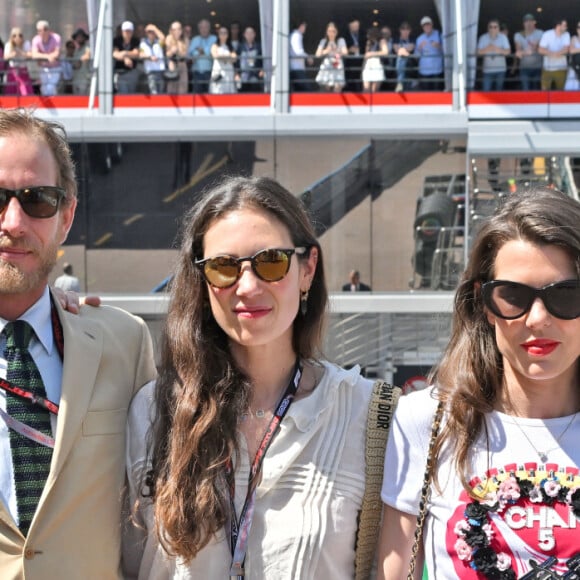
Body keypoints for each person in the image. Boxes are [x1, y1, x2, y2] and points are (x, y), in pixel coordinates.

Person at [122, 175, 374, 578]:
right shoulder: (152, 412)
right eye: (224, 267)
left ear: (308, 268)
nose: (248, 286)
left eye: (271, 261)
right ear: (202, 280)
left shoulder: (363, 414)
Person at [378, 187, 580, 579]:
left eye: (566, 295)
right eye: (512, 295)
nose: (537, 318)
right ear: (484, 303)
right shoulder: (428, 420)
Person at [0, 109, 156, 576]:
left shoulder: (123, 343)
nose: (13, 221)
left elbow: (149, 509)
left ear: (66, 216)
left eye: (38, 200)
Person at [477, 19, 511, 91]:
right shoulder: (483, 38)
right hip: (487, 70)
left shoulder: (503, 37)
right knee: (486, 91)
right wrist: (487, 49)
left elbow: (508, 51)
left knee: (499, 91)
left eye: (495, 27)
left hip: (500, 70)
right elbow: (478, 52)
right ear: (488, 28)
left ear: (498, 28)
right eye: (491, 27)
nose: (493, 29)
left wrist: (497, 49)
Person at [30, 20, 61, 96]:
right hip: (43, 68)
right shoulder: (36, 39)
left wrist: (43, 56)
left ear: (47, 30)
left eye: (42, 30)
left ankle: (53, 105)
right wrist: (48, 56)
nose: (40, 33)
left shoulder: (56, 37)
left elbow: (57, 53)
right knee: (44, 88)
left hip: (55, 67)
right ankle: (47, 106)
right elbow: (34, 54)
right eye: (38, 31)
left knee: (51, 87)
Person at [539, 18, 570, 91]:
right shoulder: (547, 34)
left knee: (561, 93)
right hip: (547, 68)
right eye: (564, 25)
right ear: (558, 26)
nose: (566, 27)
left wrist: (554, 54)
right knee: (544, 93)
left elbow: (566, 49)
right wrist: (554, 54)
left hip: (561, 68)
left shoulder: (566, 34)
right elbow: (540, 50)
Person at [315, 22, 347, 92]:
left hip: (337, 65)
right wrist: (326, 50)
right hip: (327, 66)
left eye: (333, 31)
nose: (331, 33)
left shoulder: (341, 40)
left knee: (337, 88)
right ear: (326, 32)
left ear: (336, 32)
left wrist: (337, 51)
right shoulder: (323, 41)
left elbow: (345, 52)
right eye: (329, 31)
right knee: (327, 88)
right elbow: (317, 54)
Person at [514, 13, 543, 90]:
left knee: (536, 90)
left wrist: (535, 47)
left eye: (531, 21)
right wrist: (527, 52)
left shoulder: (540, 33)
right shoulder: (518, 35)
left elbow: (542, 49)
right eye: (526, 21)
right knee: (525, 90)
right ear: (523, 23)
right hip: (524, 68)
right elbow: (518, 52)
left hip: (538, 67)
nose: (529, 23)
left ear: (534, 22)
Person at [187, 18, 216, 94]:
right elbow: (189, 54)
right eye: (202, 27)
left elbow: (214, 53)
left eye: (206, 27)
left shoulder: (214, 39)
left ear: (209, 28)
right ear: (199, 29)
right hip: (197, 73)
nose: (204, 29)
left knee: (210, 95)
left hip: (210, 72)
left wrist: (202, 51)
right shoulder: (195, 39)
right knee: (197, 97)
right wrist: (198, 53)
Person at [416, 16, 444, 91]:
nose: (427, 27)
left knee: (438, 94)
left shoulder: (439, 34)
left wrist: (439, 46)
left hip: (437, 71)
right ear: (422, 27)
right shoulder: (419, 38)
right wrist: (419, 48)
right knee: (426, 95)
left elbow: (447, 50)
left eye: (428, 24)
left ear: (432, 25)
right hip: (424, 71)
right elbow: (416, 56)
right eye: (425, 25)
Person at [3, 27, 33, 96]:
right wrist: (12, 54)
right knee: (11, 92)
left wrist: (22, 53)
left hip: (23, 70)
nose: (17, 37)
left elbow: (31, 55)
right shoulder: (8, 44)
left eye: (20, 35)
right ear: (11, 37)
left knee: (25, 91)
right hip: (12, 71)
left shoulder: (26, 43)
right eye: (14, 35)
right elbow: (5, 57)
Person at [113, 21, 141, 94]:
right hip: (120, 73)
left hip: (132, 72)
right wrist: (125, 58)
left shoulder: (135, 41)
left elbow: (136, 54)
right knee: (123, 94)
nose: (127, 33)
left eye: (129, 31)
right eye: (126, 31)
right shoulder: (116, 40)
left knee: (131, 93)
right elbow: (115, 54)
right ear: (122, 31)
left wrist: (124, 53)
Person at [209, 26, 237, 94]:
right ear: (218, 35)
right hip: (218, 72)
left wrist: (221, 57)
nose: (223, 34)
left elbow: (234, 59)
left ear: (228, 35)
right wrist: (228, 56)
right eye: (221, 33)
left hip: (228, 72)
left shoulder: (230, 46)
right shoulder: (214, 45)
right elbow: (215, 56)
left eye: (225, 33)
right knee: (217, 90)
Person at [140, 24, 166, 95]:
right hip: (150, 70)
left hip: (160, 70)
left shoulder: (159, 42)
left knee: (161, 90)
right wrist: (149, 57)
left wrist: (155, 28)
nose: (151, 34)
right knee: (153, 91)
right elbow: (141, 54)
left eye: (153, 32)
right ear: (146, 33)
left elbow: (163, 38)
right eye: (149, 32)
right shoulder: (142, 43)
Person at [164, 21, 189, 95]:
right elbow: (167, 54)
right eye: (174, 29)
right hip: (172, 64)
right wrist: (172, 51)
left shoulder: (185, 39)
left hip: (182, 64)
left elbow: (185, 54)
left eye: (178, 29)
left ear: (181, 30)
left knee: (183, 88)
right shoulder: (168, 38)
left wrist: (177, 50)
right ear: (171, 30)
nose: (177, 31)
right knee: (171, 88)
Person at [362, 27, 388, 93]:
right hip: (368, 65)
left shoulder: (382, 41)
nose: (368, 36)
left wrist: (372, 54)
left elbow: (385, 52)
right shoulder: (369, 42)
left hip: (377, 65)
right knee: (366, 88)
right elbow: (366, 53)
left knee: (374, 89)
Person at [238, 26, 263, 93]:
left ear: (254, 34)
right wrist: (236, 73)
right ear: (244, 35)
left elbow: (262, 60)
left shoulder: (259, 46)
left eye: (251, 33)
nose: (249, 35)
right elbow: (237, 61)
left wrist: (262, 70)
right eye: (247, 33)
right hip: (243, 76)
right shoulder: (240, 47)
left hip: (255, 76)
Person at [289, 21, 313, 92]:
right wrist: (308, 57)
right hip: (297, 68)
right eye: (304, 26)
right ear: (301, 26)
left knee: (298, 90)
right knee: (307, 90)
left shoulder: (292, 35)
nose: (305, 28)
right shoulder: (297, 35)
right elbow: (298, 52)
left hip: (293, 68)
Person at [393, 22, 415, 92]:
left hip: (410, 62)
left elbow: (411, 48)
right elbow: (396, 50)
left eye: (407, 29)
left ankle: (399, 83)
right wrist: (404, 51)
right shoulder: (396, 39)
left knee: (401, 57)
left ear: (410, 30)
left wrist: (402, 50)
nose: (405, 31)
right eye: (403, 29)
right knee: (400, 58)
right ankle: (400, 82)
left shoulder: (412, 38)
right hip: (399, 63)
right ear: (400, 30)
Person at [344, 17, 363, 91]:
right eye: (354, 26)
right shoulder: (345, 36)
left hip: (360, 61)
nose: (356, 28)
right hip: (350, 63)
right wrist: (349, 50)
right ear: (349, 26)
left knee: (360, 81)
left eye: (357, 26)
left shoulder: (362, 35)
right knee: (350, 82)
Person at [71, 28, 91, 95]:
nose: (79, 38)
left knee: (83, 99)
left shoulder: (87, 47)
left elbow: (87, 55)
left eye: (81, 36)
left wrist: (80, 60)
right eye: (77, 37)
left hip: (84, 78)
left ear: (84, 38)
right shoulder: (76, 50)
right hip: (76, 78)